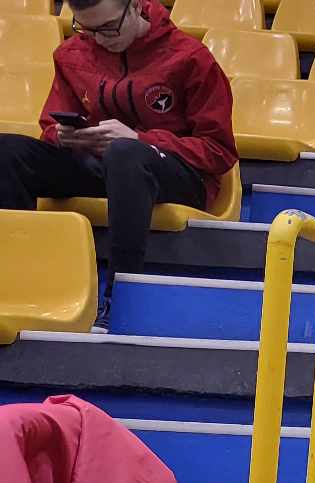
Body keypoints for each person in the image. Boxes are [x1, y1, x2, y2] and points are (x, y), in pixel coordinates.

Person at [0, 0, 234, 326]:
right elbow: (49, 127)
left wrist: (142, 140)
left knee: (124, 153)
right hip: (104, 166)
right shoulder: (71, 54)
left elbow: (218, 151)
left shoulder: (191, 57)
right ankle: (18, 287)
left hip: (176, 174)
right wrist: (65, 137)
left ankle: (122, 297)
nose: (99, 39)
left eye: (109, 27)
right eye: (87, 29)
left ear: (135, 5)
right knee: (8, 150)